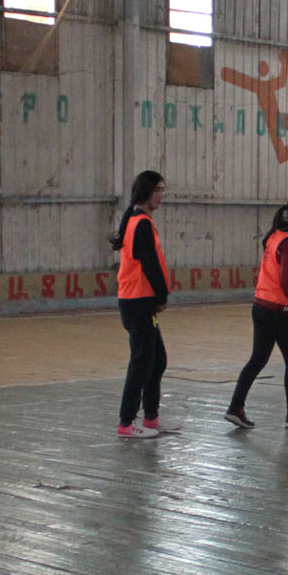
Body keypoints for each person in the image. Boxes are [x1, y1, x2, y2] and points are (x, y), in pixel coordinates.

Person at [226, 194, 288, 430]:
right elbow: (287, 283)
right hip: (281, 311)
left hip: (261, 306)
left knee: (257, 360)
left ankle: (235, 407)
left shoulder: (275, 236)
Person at [112, 171, 179, 440]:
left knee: (157, 360)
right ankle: (126, 422)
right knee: (141, 363)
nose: (161, 195)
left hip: (138, 301)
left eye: (163, 190)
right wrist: (161, 297)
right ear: (145, 192)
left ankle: (151, 418)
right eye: (157, 190)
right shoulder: (140, 223)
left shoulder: (138, 220)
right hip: (138, 302)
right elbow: (150, 264)